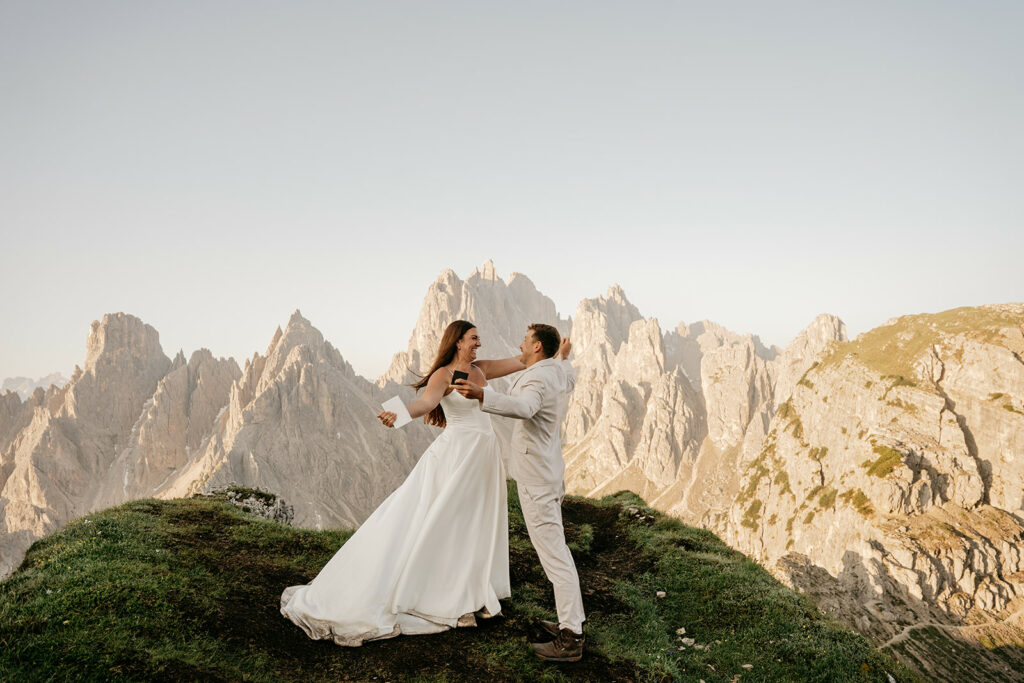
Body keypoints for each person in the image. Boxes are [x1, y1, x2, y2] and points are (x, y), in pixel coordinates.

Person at [280, 320, 526, 646]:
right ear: (457, 342)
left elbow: (521, 362)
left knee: (474, 520)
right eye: (473, 339)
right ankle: (446, 597)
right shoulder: (443, 375)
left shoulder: (482, 369)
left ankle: (471, 591)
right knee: (449, 520)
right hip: (457, 456)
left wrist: (547, 350)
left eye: (479, 338)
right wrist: (398, 415)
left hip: (482, 454)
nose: (479, 343)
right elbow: (426, 404)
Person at [454, 323, 584, 662]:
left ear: (538, 347)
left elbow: (525, 408)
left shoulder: (540, 377)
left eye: (526, 340)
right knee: (556, 552)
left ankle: (571, 637)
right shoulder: (556, 370)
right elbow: (569, 377)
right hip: (550, 473)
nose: (520, 343)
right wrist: (564, 357)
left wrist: (483, 395)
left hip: (537, 480)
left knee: (555, 557)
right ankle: (569, 623)